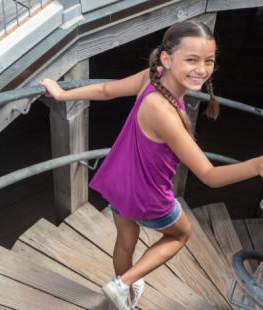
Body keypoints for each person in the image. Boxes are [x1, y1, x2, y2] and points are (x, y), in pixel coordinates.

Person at [40, 20, 263, 309]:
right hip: (148, 195)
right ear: (167, 59)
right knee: (181, 234)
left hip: (119, 182)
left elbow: (107, 90)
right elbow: (209, 175)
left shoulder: (152, 77)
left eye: (209, 61)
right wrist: (256, 166)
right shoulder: (165, 114)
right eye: (192, 60)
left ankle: (125, 292)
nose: (202, 69)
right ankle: (122, 284)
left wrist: (62, 94)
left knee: (126, 238)